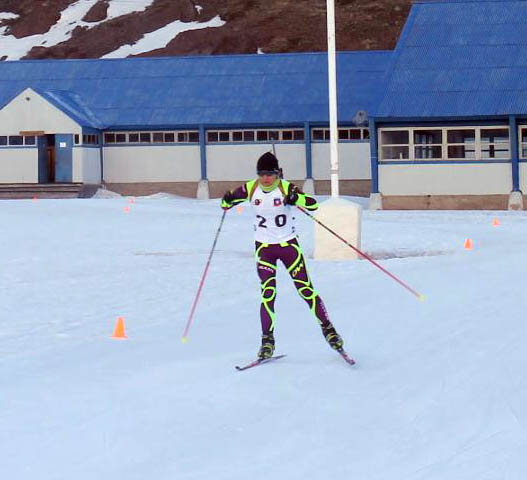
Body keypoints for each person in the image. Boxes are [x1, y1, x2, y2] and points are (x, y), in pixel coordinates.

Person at [221, 151, 344, 360]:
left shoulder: (285, 187)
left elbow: (313, 205)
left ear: (277, 173)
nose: (265, 179)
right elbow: (226, 204)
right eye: (262, 174)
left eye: (269, 174)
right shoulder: (251, 187)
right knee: (268, 293)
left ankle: (329, 330)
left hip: (288, 247)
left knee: (305, 290)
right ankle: (267, 341)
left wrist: (297, 198)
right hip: (264, 248)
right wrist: (228, 199)